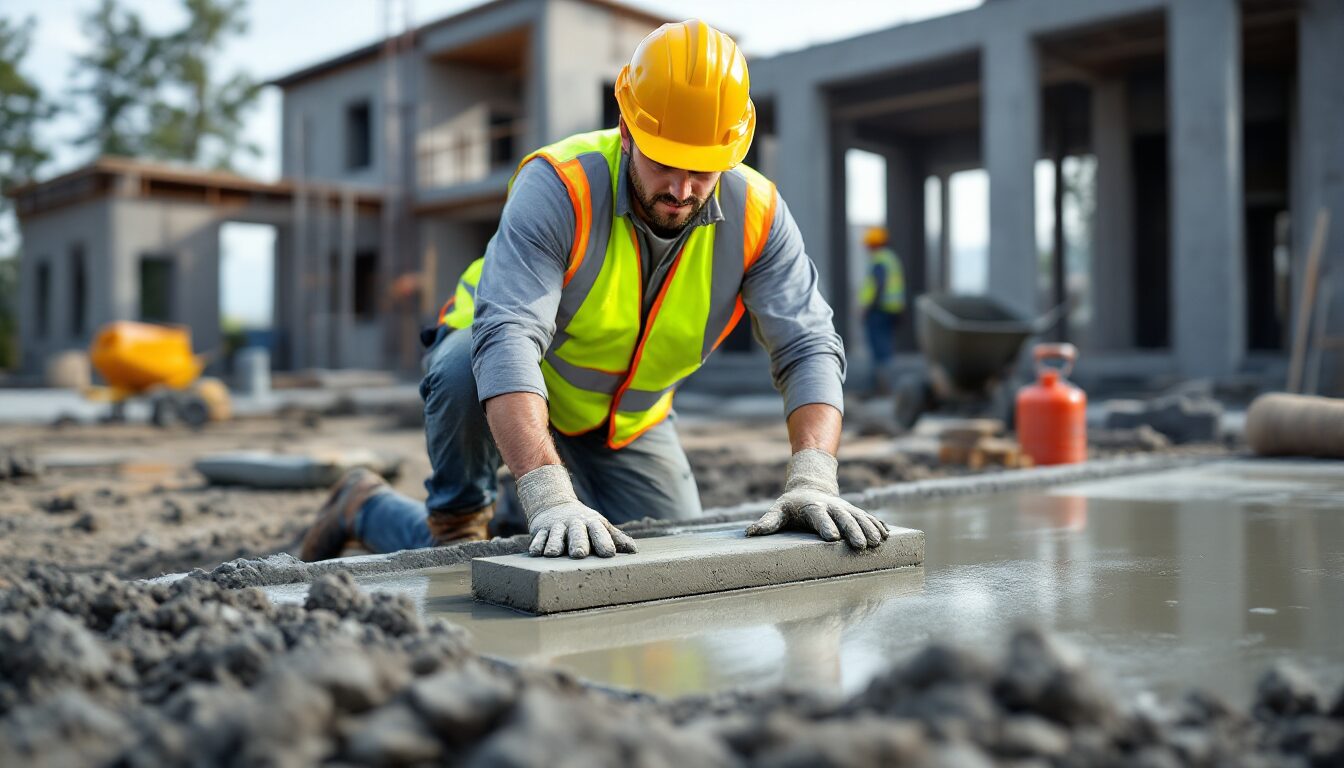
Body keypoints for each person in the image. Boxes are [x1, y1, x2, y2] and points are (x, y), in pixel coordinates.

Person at [300, 19, 889, 562]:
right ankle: (406, 512)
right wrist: (550, 495)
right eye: (664, 162)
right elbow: (506, 338)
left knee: (668, 552)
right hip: (511, 383)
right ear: (628, 129)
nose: (682, 190)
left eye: (703, 169)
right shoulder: (561, 186)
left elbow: (808, 345)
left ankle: (520, 509)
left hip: (629, 421)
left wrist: (814, 477)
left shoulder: (759, 215)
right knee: (461, 370)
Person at [858, 226, 906, 395]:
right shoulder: (891, 259)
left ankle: (884, 388)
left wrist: (867, 308)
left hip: (879, 311)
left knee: (881, 351)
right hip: (891, 310)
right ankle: (886, 387)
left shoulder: (879, 260)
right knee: (886, 348)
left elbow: (878, 285)